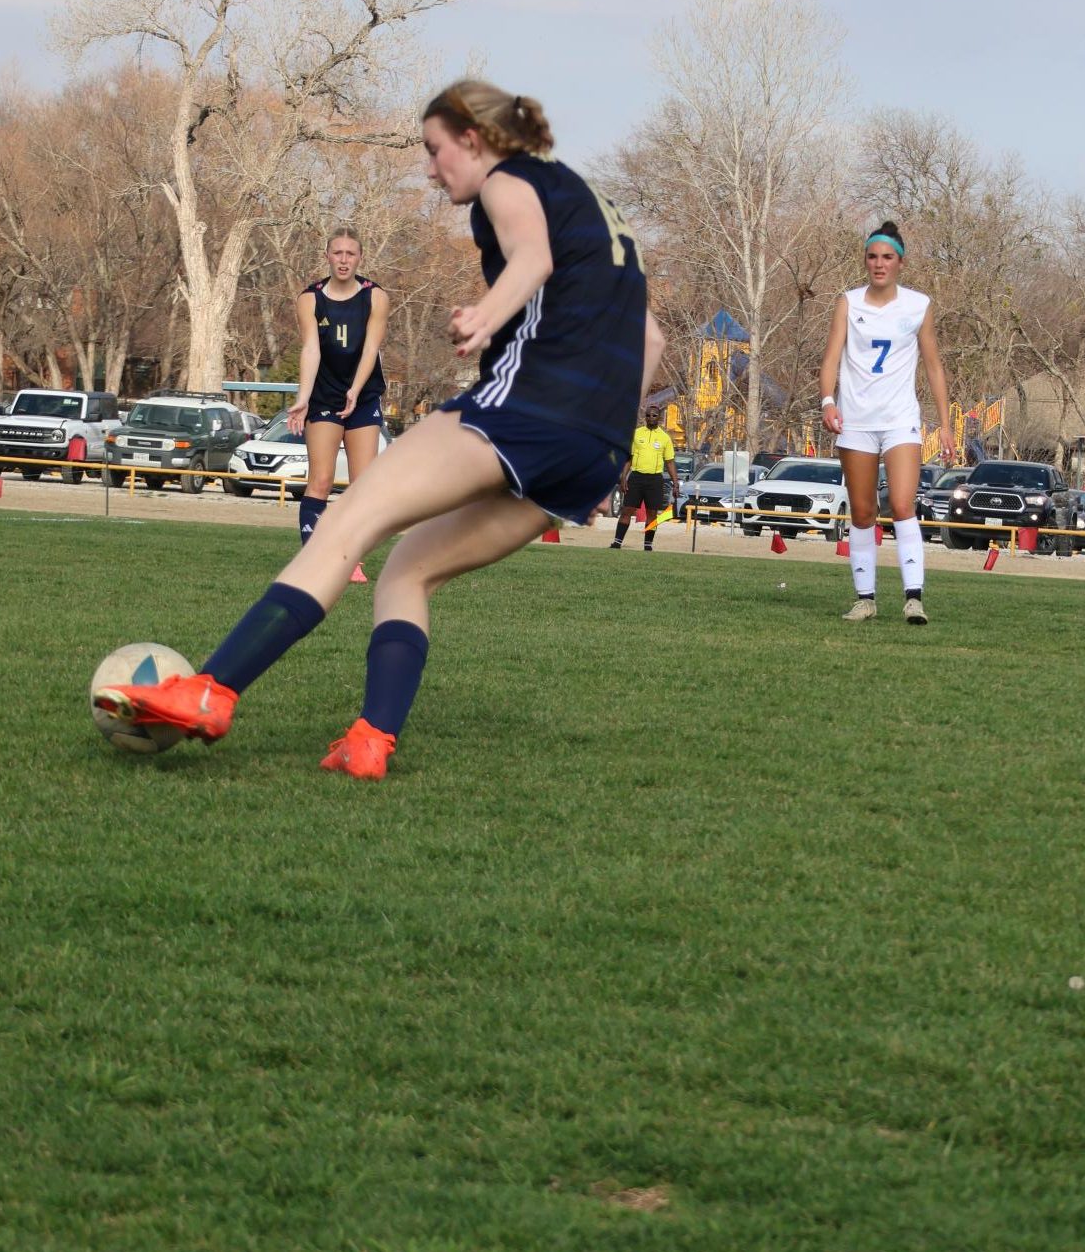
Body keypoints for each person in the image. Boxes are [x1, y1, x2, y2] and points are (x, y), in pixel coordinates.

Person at [95, 80, 661, 777]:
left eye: (434, 149)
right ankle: (370, 740)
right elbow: (652, 341)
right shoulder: (603, 213)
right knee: (408, 571)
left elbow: (533, 259)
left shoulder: (509, 179)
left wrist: (487, 315)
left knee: (346, 523)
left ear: (474, 140)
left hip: (529, 410)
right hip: (597, 449)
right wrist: (607, 446)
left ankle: (212, 690)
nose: (430, 169)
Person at [819, 221, 954, 625]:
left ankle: (914, 598)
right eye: (872, 256)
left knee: (901, 504)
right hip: (856, 420)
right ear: (866, 260)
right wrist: (828, 402)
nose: (879, 264)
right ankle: (866, 599)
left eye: (887, 258)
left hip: (900, 420)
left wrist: (945, 424)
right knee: (862, 512)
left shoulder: (918, 305)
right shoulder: (848, 302)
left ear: (900, 263)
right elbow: (830, 359)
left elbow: (933, 366)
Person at [285, 228, 390, 563]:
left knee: (362, 486)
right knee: (322, 479)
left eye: (351, 254)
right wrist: (303, 398)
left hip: (363, 395)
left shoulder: (375, 296)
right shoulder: (310, 299)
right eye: (338, 253)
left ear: (360, 257)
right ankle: (313, 560)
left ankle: (351, 558)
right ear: (327, 255)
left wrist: (355, 391)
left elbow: (371, 348)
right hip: (324, 398)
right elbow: (311, 350)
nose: (344, 260)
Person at [610, 404, 679, 551]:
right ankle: (617, 542)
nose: (651, 418)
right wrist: (623, 478)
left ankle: (648, 545)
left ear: (659, 417)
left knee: (652, 513)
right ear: (645, 417)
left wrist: (675, 483)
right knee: (627, 510)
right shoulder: (636, 434)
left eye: (654, 415)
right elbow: (629, 458)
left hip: (655, 480)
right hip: (636, 478)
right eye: (648, 415)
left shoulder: (665, 438)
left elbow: (670, 462)